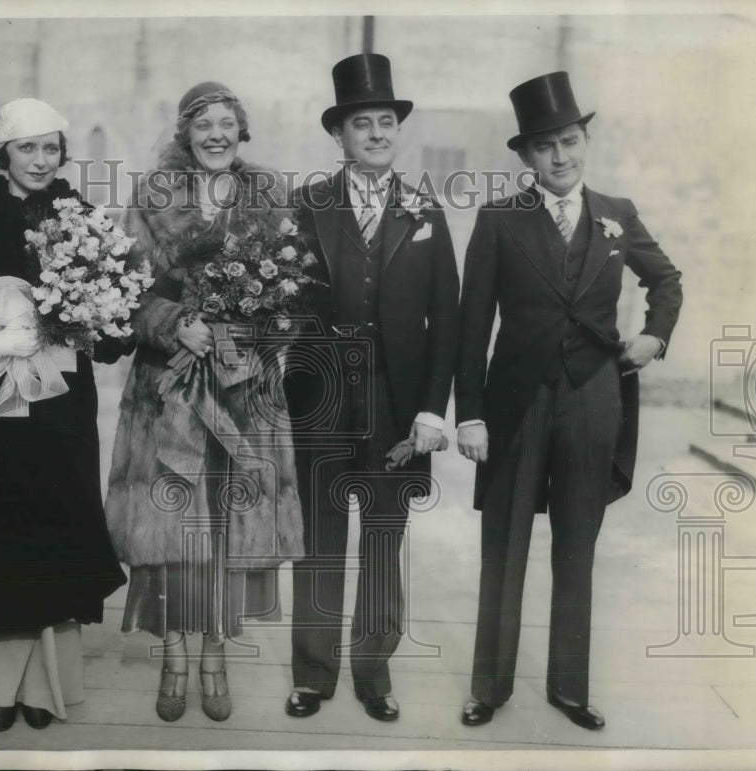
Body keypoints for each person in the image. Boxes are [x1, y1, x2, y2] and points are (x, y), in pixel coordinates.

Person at [455, 72, 683, 730]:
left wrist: (655, 337)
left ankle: (569, 687)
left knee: (577, 545)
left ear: (585, 141)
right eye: (546, 146)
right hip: (515, 402)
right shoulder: (499, 220)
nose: (562, 157)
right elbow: (473, 327)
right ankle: (488, 687)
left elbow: (666, 281)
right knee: (504, 545)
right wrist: (469, 411)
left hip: (593, 397)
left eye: (571, 140)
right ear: (525, 157)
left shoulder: (619, 212)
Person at [0, 98, 130, 732]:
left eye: (52, 148)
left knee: (55, 526)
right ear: (3, 151)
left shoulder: (81, 218)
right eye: (28, 147)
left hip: (61, 403)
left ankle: (46, 687)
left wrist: (96, 321)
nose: (41, 160)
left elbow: (114, 319)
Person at [104, 81, 304, 723]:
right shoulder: (154, 194)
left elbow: (293, 291)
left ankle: (214, 657)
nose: (216, 134)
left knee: (224, 528)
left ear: (241, 130)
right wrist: (170, 323)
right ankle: (173, 658)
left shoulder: (269, 194)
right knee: (171, 524)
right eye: (203, 125)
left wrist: (257, 330)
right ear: (185, 132)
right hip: (169, 392)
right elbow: (120, 289)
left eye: (227, 123)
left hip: (243, 390)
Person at [282, 53, 460, 723]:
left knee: (384, 536)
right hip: (321, 397)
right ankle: (313, 671)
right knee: (321, 537)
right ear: (340, 135)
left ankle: (374, 671)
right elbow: (284, 299)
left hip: (396, 401)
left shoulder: (425, 209)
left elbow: (447, 314)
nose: (378, 133)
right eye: (363, 123)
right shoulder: (308, 204)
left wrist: (430, 408)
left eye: (387, 121)